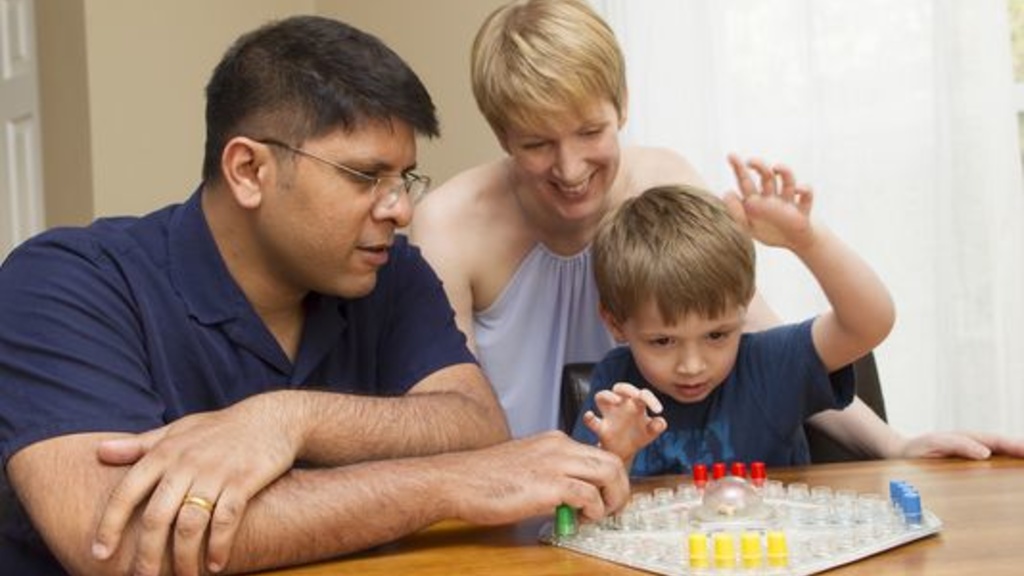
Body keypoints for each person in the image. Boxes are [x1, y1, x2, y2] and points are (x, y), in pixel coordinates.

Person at [0, 15, 629, 576]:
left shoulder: (391, 271)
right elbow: (124, 541)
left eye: (404, 176)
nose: (402, 208)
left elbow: (472, 424)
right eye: (365, 176)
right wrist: (444, 485)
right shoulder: (64, 282)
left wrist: (287, 420)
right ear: (249, 170)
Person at [410, 0, 1024, 459]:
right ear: (500, 133)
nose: (570, 170)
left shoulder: (663, 181)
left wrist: (894, 444)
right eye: (537, 144)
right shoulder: (450, 225)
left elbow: (760, 342)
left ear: (622, 102)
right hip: (539, 498)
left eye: (591, 132)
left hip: (672, 486)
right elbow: (451, 415)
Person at [572, 159, 895, 474]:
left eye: (716, 335)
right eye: (663, 341)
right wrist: (617, 458)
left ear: (745, 302)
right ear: (615, 323)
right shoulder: (616, 386)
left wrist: (806, 241)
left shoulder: (768, 365)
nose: (692, 365)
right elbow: (581, 510)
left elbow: (868, 324)